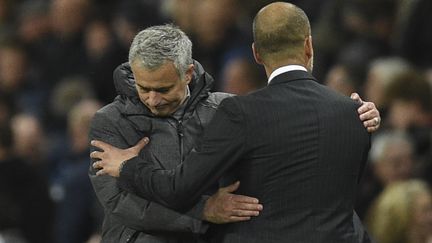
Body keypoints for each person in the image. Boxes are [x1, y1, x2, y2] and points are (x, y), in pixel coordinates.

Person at [92, 3, 380, 243]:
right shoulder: (109, 121)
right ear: (308, 45)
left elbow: (182, 187)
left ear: (188, 74)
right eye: (144, 88)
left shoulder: (230, 109)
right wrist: (203, 212)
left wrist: (128, 166)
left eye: (164, 89)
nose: (153, 99)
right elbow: (120, 204)